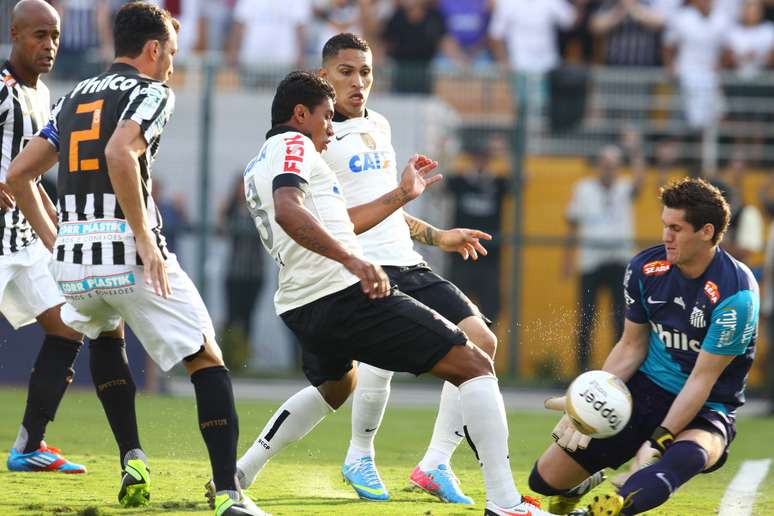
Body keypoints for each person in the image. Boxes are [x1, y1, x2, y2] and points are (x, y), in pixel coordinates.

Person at [213, 70, 554, 516]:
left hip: (301, 303)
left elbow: (338, 220)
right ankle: (505, 502)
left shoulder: (262, 160)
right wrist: (354, 261)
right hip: (342, 293)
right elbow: (289, 211)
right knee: (474, 363)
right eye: (326, 118)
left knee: (336, 386)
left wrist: (403, 196)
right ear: (300, 115)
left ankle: (241, 474)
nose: (331, 129)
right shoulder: (295, 146)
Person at [7, 3, 265, 514]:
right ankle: (230, 495)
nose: (172, 62)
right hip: (127, 251)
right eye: (170, 51)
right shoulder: (152, 91)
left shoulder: (74, 95)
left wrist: (58, 242)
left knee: (106, 336)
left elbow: (18, 175)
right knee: (206, 358)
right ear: (153, 49)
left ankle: (133, 458)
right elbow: (121, 153)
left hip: (75, 265)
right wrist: (144, 238)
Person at [321, 33, 498, 505]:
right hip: (364, 266)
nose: (358, 82)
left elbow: (387, 203)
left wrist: (438, 236)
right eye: (346, 71)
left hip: (408, 260)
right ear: (324, 76)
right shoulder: (314, 137)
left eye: (366, 72)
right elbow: (337, 215)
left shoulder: (378, 123)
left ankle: (435, 462)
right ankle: (359, 455)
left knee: (482, 341)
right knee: (370, 372)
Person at [528, 178, 759, 516]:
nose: (666, 236)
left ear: (707, 232)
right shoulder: (644, 268)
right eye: (665, 225)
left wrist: (660, 440)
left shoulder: (735, 294)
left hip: (707, 407)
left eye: (677, 228)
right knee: (544, 481)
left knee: (684, 458)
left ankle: (604, 510)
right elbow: (631, 345)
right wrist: (589, 400)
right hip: (643, 392)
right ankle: (590, 480)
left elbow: (701, 380)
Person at [1, 0, 88, 475]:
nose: (49, 45)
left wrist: (60, 225)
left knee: (69, 324)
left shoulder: (44, 95)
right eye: (39, 35)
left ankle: (30, 445)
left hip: (22, 241)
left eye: (54, 36)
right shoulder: (1, 89)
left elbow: (30, 176)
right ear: (14, 34)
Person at [564, 140, 644, 372]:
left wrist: (634, 150)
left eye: (614, 164)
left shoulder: (624, 187)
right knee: (586, 318)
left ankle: (618, 370)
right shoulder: (583, 188)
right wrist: (567, 259)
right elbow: (572, 223)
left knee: (620, 319)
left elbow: (640, 182)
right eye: (606, 164)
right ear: (599, 165)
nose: (609, 169)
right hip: (591, 260)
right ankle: (581, 369)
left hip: (620, 259)